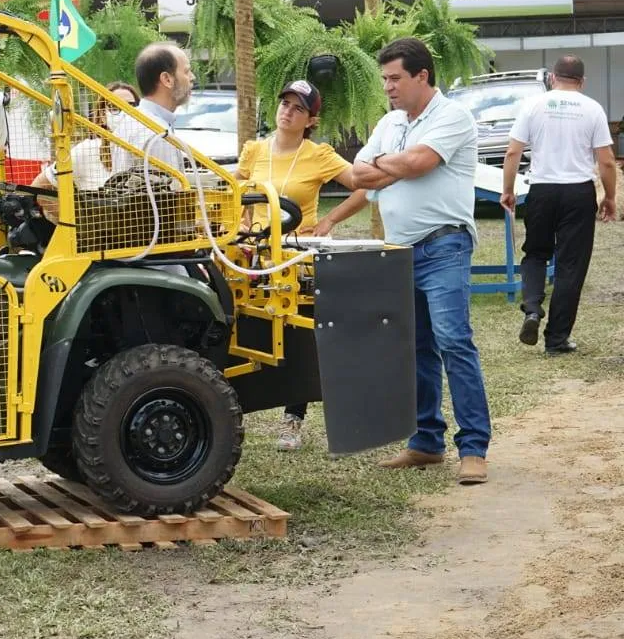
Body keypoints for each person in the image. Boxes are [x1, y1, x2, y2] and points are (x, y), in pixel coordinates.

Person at [351, 37, 491, 485]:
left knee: (453, 342)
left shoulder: (453, 116)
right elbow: (358, 173)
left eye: (395, 78)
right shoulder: (390, 122)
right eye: (385, 79)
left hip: (443, 246)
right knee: (417, 349)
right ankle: (427, 442)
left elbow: (419, 162)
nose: (388, 87)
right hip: (401, 250)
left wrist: (389, 163)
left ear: (422, 76)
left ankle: (474, 448)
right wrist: (397, 163)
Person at [235, 79, 370, 451]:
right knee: (246, 332)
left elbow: (362, 187)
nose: (288, 112)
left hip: (297, 256)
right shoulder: (254, 150)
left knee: (299, 338)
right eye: (284, 104)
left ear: (311, 119)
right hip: (256, 257)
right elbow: (237, 189)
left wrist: (329, 221)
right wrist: (242, 221)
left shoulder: (318, 154)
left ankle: (292, 420)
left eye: (298, 108)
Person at [501, 55, 616, 355]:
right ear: (582, 81)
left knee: (536, 254)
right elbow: (605, 161)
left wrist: (508, 190)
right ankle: (556, 339)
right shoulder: (593, 109)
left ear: (552, 78)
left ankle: (532, 310)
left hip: (541, 190)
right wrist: (611, 197)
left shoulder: (533, 105)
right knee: (570, 266)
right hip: (578, 193)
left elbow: (513, 152)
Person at [33, 82, 140, 191]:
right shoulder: (86, 150)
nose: (125, 112)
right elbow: (39, 186)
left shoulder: (147, 146)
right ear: (102, 115)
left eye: (131, 106)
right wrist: (67, 208)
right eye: (114, 106)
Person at [111, 41, 196, 174]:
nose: (192, 77)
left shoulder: (128, 123)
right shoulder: (158, 136)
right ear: (167, 79)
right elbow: (170, 193)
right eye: (186, 71)